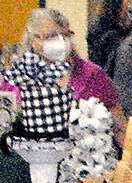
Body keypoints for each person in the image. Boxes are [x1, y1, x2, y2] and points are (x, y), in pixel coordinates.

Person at [1, 8, 125, 146]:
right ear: (33, 41)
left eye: (62, 35)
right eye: (49, 36)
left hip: (83, 160)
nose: (58, 42)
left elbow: (120, 128)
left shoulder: (94, 76)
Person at [87, 0, 131, 75]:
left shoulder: (95, 29)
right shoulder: (113, 36)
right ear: (118, 10)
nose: (127, 13)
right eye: (125, 9)